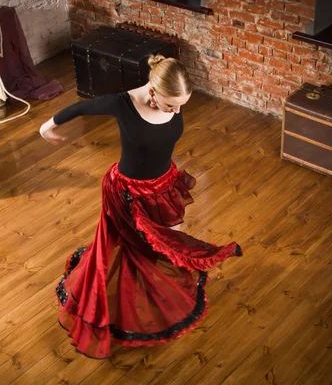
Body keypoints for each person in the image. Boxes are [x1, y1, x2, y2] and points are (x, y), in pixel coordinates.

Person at [39, 55, 243, 359]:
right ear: (152, 91)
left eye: (181, 106)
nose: (176, 111)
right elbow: (82, 107)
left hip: (164, 185)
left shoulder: (171, 94)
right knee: (138, 247)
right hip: (128, 192)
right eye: (170, 104)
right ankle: (126, 302)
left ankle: (155, 288)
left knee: (162, 245)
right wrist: (48, 126)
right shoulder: (123, 103)